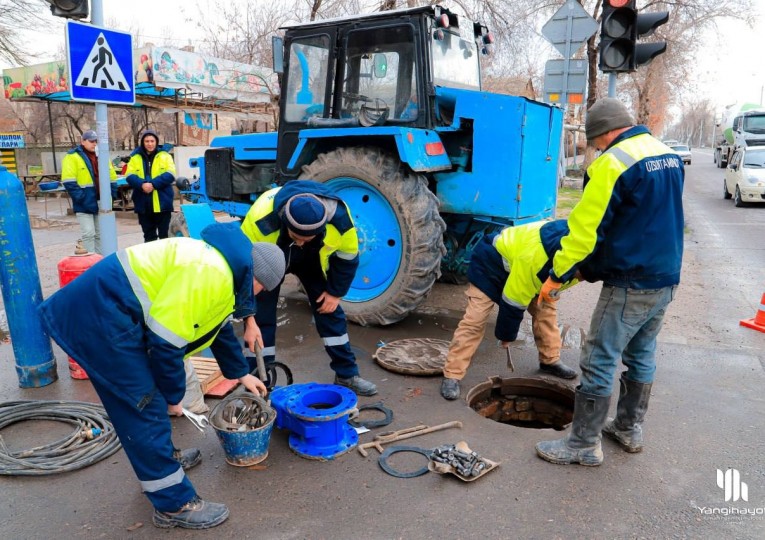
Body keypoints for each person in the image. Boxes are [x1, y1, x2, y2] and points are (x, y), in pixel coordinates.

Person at [38, 222, 286, 529]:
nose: (258, 296)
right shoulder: (212, 275)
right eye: (262, 290)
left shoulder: (222, 267)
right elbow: (165, 344)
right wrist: (173, 397)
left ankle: (164, 462)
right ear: (258, 279)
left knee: (150, 402)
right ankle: (174, 504)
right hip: (100, 319)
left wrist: (241, 375)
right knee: (144, 407)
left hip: (112, 313)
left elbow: (217, 326)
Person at [535, 98, 684, 466]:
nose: (597, 149)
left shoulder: (613, 163)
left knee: (600, 357)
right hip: (665, 278)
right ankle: (629, 429)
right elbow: (643, 220)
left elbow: (585, 232)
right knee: (642, 354)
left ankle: (583, 445)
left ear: (605, 133)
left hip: (630, 282)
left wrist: (558, 274)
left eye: (596, 142)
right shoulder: (668, 156)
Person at [240, 180, 378, 396]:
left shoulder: (340, 220)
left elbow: (348, 257)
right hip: (272, 254)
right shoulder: (262, 221)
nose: (302, 242)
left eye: (307, 238)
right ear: (286, 223)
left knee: (330, 311)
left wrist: (335, 292)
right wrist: (248, 313)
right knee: (261, 317)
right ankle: (258, 382)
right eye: (297, 237)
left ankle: (346, 374)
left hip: (312, 259)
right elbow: (245, 266)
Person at [440, 219, 579, 401]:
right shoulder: (535, 258)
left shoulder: (580, 258)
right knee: (475, 319)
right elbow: (513, 302)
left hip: (529, 271)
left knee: (545, 312)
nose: (582, 279)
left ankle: (550, 360)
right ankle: (452, 374)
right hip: (491, 265)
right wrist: (506, 335)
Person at [60, 129, 117, 254]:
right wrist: (81, 197)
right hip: (85, 201)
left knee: (99, 234)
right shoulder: (72, 157)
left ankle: (99, 260)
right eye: (91, 141)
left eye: (96, 141)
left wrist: (112, 194)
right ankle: (90, 261)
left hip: (100, 200)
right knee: (88, 233)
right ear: (83, 142)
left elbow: (112, 176)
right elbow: (68, 181)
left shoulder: (102, 155)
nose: (94, 144)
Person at [125, 129, 176, 242]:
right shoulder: (135, 157)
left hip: (162, 204)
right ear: (143, 142)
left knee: (165, 237)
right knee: (149, 237)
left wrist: (153, 184)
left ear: (156, 142)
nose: (150, 144)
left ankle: (164, 259)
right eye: (147, 141)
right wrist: (142, 185)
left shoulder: (165, 156)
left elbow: (171, 174)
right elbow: (129, 175)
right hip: (143, 205)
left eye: (152, 141)